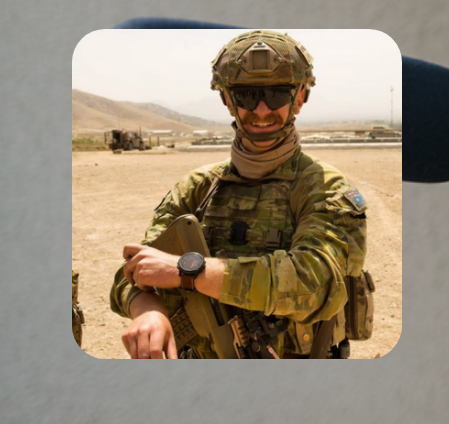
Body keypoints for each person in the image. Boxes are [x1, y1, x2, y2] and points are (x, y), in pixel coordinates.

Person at [110, 30, 369, 359]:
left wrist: (189, 271)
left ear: (299, 98)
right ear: (227, 100)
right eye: (246, 96)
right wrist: (147, 310)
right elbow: (133, 272)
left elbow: (315, 284)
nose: (261, 110)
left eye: (276, 95)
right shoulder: (197, 188)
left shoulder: (325, 188)